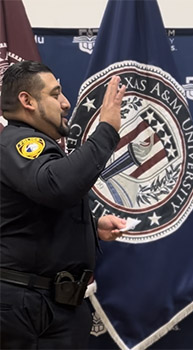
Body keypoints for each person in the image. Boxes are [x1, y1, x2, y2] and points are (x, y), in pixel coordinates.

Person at [0, 60, 127, 349]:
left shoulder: (37, 145)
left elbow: (31, 215)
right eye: (55, 94)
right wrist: (106, 130)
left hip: (49, 306)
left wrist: (93, 227)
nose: (66, 103)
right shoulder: (19, 144)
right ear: (27, 101)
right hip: (29, 308)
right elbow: (57, 187)